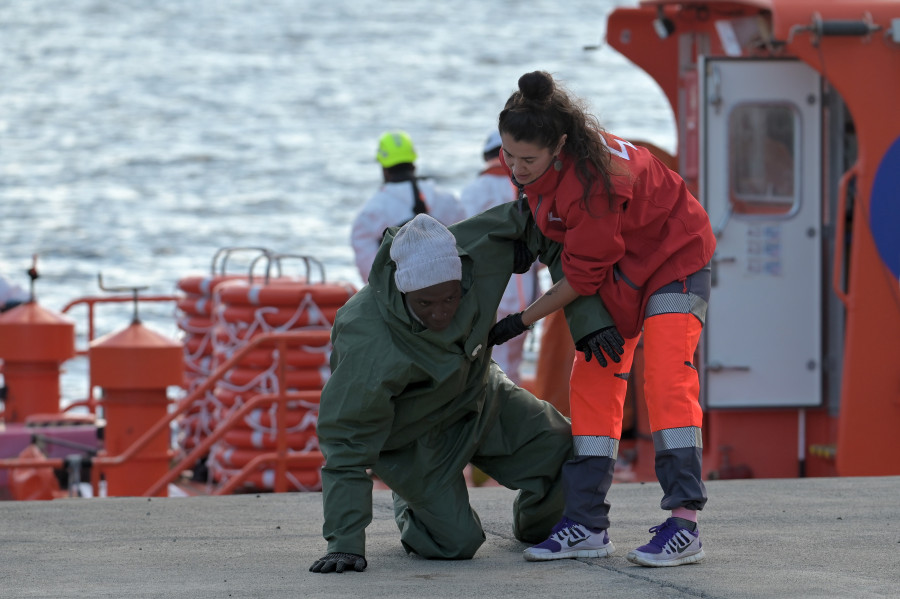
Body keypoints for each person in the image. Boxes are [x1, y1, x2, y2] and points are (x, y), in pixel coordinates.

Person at [487, 71, 716, 567]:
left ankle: (684, 523)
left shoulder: (595, 185)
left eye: (528, 159)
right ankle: (588, 524)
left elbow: (581, 280)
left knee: (665, 378)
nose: (516, 168)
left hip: (674, 263)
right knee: (591, 381)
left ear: (560, 145)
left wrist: (518, 322)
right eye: (509, 154)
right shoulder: (541, 169)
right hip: (622, 274)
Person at [309, 207, 612, 574]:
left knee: (569, 450)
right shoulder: (366, 336)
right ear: (403, 289)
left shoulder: (482, 250)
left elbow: (553, 227)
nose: (440, 313)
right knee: (455, 545)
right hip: (414, 439)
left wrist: (589, 324)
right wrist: (344, 543)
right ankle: (412, 504)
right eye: (425, 303)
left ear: (464, 276)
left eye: (450, 298)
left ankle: (538, 527)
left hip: (479, 392)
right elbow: (346, 439)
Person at [458, 130, 540, 385]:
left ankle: (497, 418)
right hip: (528, 296)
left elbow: (463, 244)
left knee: (491, 364)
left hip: (488, 292)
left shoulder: (473, 191)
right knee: (512, 364)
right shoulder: (534, 187)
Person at [350, 130, 465, 284]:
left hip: (402, 294)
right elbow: (465, 242)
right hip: (449, 288)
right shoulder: (447, 200)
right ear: (413, 164)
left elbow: (370, 274)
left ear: (384, 169)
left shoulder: (371, 212)